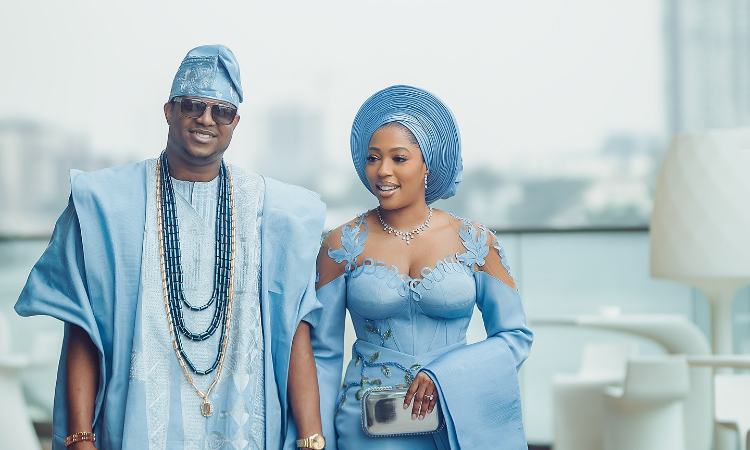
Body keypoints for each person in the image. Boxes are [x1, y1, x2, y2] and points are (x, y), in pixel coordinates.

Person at [16, 45, 327, 450]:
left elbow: (296, 330)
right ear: (169, 110)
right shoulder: (108, 205)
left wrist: (311, 439)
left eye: (222, 111)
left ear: (235, 123)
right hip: (137, 428)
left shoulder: (274, 212)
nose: (206, 119)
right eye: (193, 106)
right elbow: (82, 327)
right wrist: (79, 438)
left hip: (242, 429)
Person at [313, 85, 533, 449]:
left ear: (427, 165)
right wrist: (316, 440)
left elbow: (515, 337)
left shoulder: (476, 241)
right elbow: (322, 355)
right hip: (367, 427)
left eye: (399, 158)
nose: (383, 171)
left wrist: (448, 375)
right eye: (373, 158)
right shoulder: (341, 245)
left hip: (454, 420)